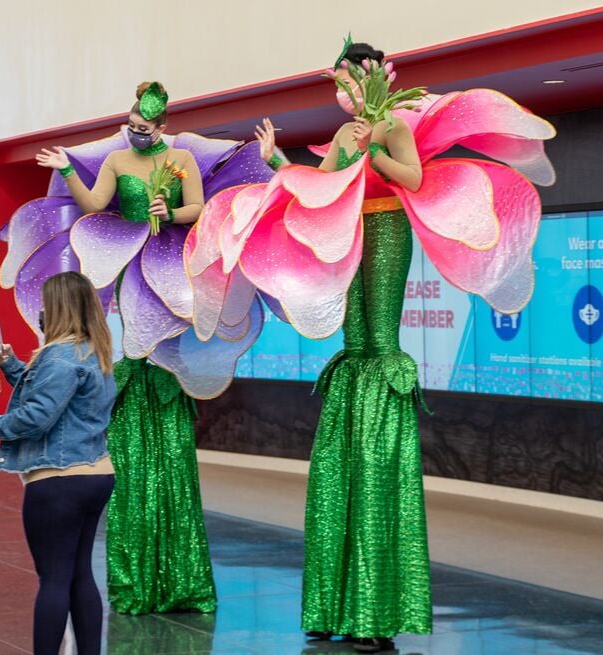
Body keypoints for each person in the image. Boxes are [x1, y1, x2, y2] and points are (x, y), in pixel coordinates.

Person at [190, 36, 554, 653]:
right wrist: (278, 162)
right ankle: (333, 598)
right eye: (341, 84)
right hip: (346, 233)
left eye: (351, 80)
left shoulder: (390, 124)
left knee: (377, 342)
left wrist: (375, 152)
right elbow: (320, 186)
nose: (346, 92)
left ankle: (371, 594)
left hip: (385, 229)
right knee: (353, 342)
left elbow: (410, 176)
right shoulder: (344, 133)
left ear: (374, 77)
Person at [30, 80, 244, 616]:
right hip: (127, 270)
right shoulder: (117, 160)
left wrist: (166, 213)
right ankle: (134, 579)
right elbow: (94, 205)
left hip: (170, 268)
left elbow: (201, 207)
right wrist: (64, 168)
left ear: (162, 126)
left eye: (145, 127)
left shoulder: (181, 161)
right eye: (131, 125)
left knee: (162, 362)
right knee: (130, 355)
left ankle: (178, 576)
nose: (136, 133)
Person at [0, 271, 116, 655]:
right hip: (96, 474)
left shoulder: (59, 355)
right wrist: (13, 366)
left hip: (58, 481)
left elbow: (38, 415)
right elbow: (60, 397)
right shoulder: (93, 350)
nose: (40, 312)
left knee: (53, 579)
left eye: (46, 305)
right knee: (79, 573)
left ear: (59, 310)